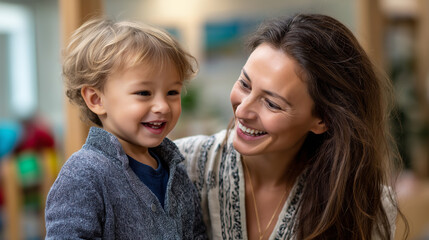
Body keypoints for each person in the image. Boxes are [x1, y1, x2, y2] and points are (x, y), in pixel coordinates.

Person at [175, 13, 407, 240]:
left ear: (322, 120)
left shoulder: (367, 206)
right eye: (245, 84)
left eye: (272, 103)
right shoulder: (179, 164)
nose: (242, 111)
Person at [45, 18, 207, 239]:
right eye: (143, 93)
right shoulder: (83, 175)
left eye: (172, 92)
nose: (162, 106)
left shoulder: (177, 174)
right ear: (96, 99)